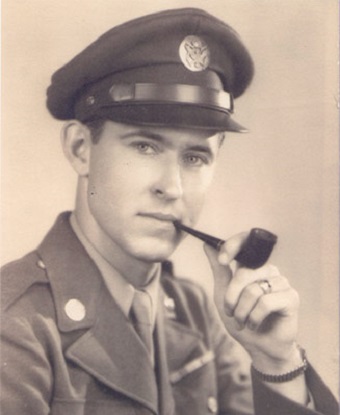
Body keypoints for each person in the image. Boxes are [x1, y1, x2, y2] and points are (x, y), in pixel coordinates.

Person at [0, 8, 338, 415]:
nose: (172, 187)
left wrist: (276, 361)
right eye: (145, 146)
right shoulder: (15, 326)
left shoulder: (194, 313)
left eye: (195, 157)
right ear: (80, 148)